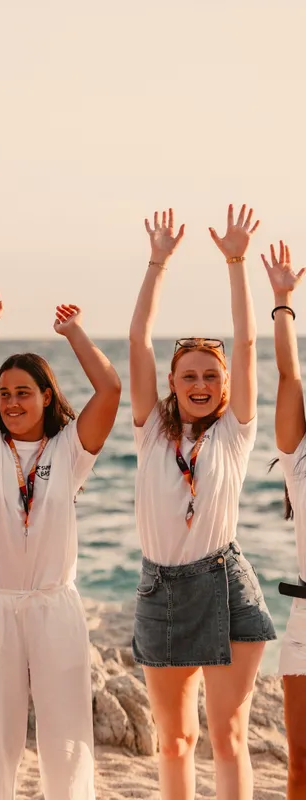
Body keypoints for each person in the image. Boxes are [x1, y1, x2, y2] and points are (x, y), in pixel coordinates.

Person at [0, 287, 121, 799]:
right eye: (5, 393)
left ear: (46, 397)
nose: (12, 402)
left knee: (67, 740)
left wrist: (74, 332)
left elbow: (109, 389)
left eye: (24, 392)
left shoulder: (69, 450)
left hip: (54, 606)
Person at [129, 206, 276, 800]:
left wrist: (237, 263)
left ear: (225, 384)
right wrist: (157, 262)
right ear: (171, 382)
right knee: (173, 741)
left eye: (211, 376)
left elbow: (247, 340)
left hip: (226, 585)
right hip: (161, 589)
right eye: (188, 375)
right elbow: (138, 341)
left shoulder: (234, 433)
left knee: (229, 737)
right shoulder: (149, 432)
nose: (200, 384)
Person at [262, 239, 306, 798]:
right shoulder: (299, 458)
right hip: (305, 620)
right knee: (300, 766)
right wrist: (283, 301)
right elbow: (288, 376)